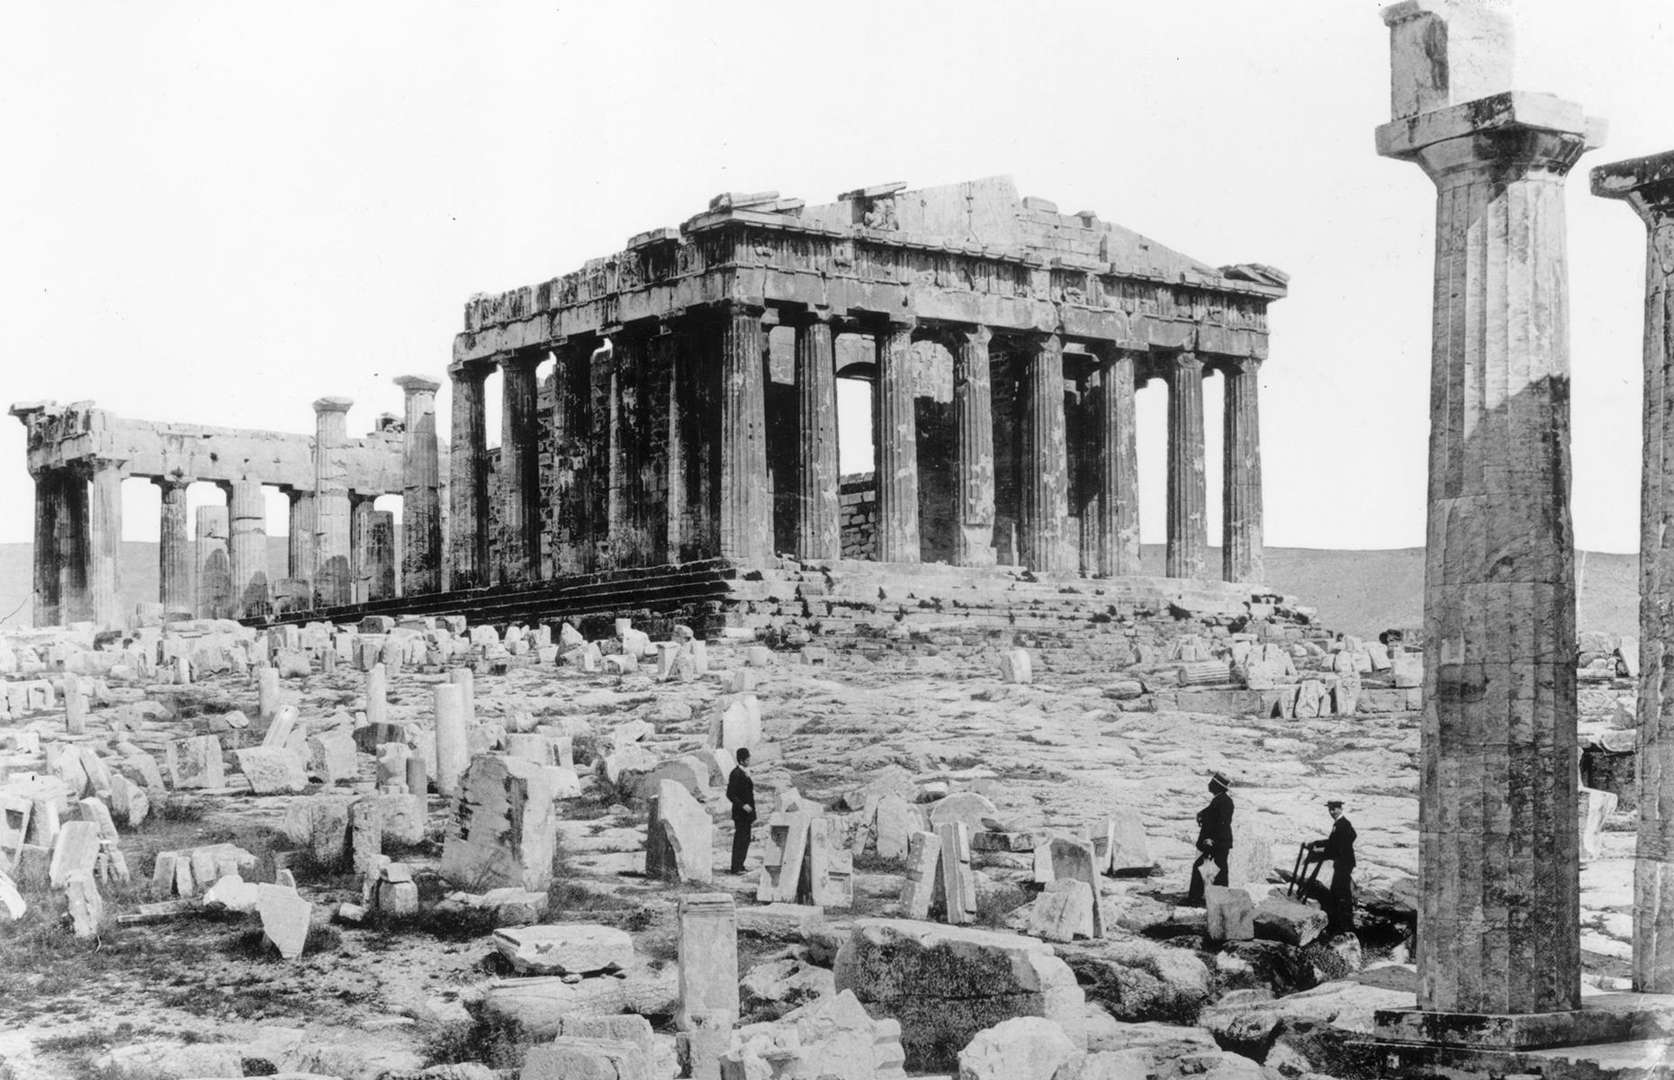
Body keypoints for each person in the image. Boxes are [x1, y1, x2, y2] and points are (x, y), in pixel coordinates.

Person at [1307, 798, 1357, 934]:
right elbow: (1347, 837)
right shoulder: (1342, 823)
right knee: (1340, 891)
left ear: (1340, 808)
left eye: (1334, 808)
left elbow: (1335, 846)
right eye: (1330, 809)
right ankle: (1343, 925)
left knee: (1340, 892)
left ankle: (1344, 927)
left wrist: (1320, 851)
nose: (1331, 811)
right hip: (1345, 861)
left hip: (1343, 863)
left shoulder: (1342, 824)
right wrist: (1317, 843)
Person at [1185, 771, 1235, 906]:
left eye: (1211, 783)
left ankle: (1197, 899)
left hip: (1217, 843)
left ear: (1216, 786)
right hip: (1218, 842)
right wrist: (1201, 813)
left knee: (1210, 868)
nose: (1209, 785)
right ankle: (1217, 898)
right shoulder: (1220, 799)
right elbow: (1211, 812)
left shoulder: (1223, 801)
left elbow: (1222, 823)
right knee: (1217, 869)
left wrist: (1212, 840)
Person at [726, 747, 756, 875]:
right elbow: (730, 794)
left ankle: (740, 864)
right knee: (740, 840)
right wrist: (743, 805)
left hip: (746, 813)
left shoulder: (744, 772)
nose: (750, 760)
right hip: (740, 812)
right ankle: (736, 867)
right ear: (742, 760)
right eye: (748, 759)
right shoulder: (736, 773)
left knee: (745, 839)